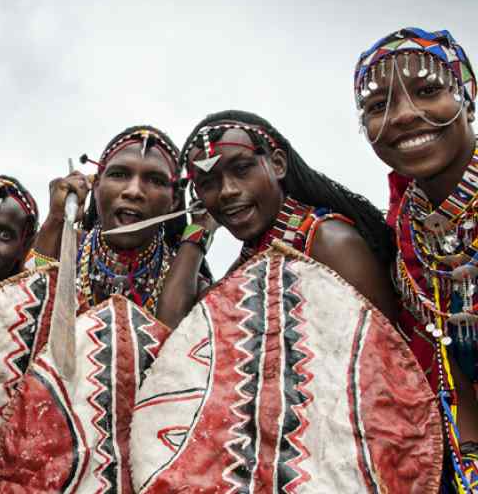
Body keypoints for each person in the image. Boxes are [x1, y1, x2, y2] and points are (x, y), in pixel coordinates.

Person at [353, 27, 478, 492]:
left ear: (469, 96)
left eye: (427, 90)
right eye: (378, 105)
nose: (404, 116)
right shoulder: (403, 226)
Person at [175, 110, 398, 322]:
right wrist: (199, 229)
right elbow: (179, 330)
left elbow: (386, 352)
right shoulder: (256, 253)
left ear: (278, 164)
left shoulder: (328, 241)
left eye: (242, 169)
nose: (227, 191)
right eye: (207, 183)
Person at [32, 125, 208, 322]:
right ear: (96, 186)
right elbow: (32, 302)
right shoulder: (62, 248)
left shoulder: (190, 283)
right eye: (119, 175)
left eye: (155, 180)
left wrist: (200, 229)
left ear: (174, 200)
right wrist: (56, 220)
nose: (133, 191)